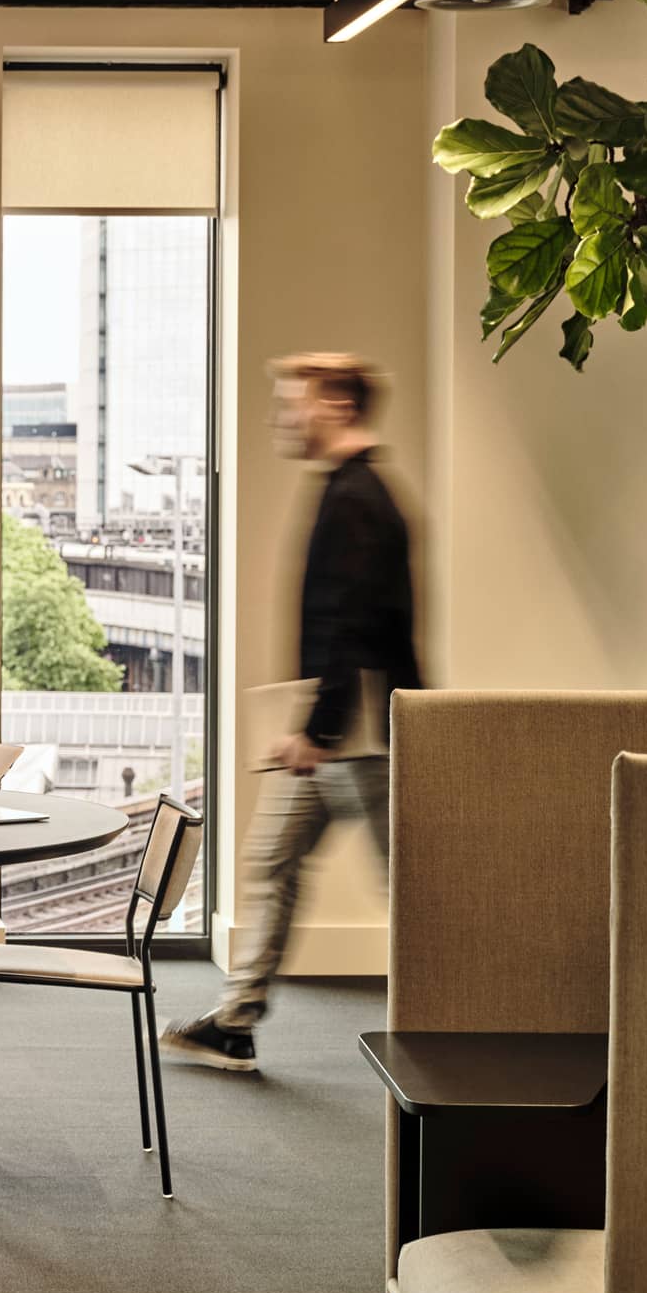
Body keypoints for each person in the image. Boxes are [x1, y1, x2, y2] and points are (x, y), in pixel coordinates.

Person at [162, 352, 419, 1074]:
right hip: (340, 727)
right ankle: (235, 1021)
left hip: (358, 733)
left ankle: (465, 1028)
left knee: (410, 890)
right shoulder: (346, 488)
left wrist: (319, 730)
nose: (281, 416)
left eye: (292, 402)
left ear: (337, 404)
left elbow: (355, 623)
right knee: (270, 859)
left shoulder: (358, 496)